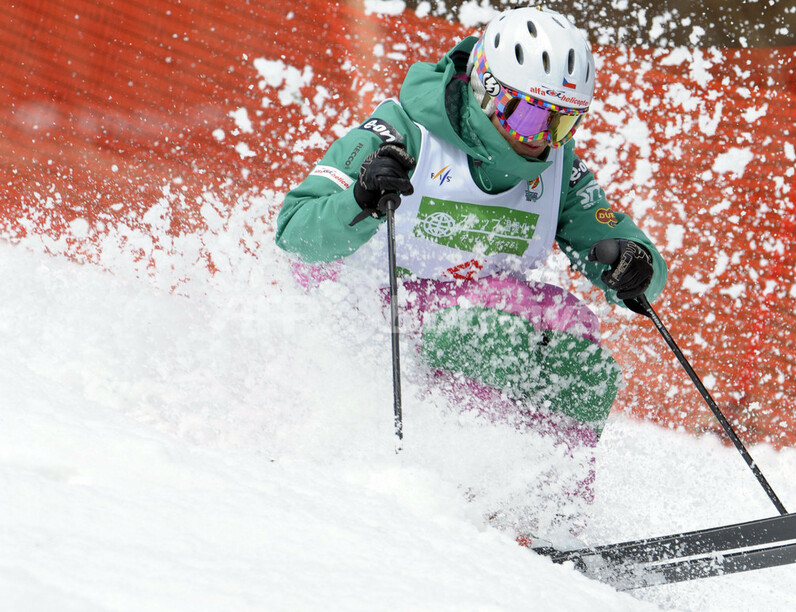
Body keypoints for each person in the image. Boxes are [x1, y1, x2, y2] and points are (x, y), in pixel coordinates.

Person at [275, 6, 667, 543]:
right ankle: (465, 498)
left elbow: (624, 241)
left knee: (584, 366)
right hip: (368, 317)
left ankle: (548, 521)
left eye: (564, 121)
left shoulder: (557, 167)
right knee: (489, 337)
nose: (543, 139)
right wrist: (361, 197)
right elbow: (294, 229)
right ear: (486, 90)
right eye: (532, 118)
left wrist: (634, 264)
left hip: (479, 308)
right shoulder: (402, 134)